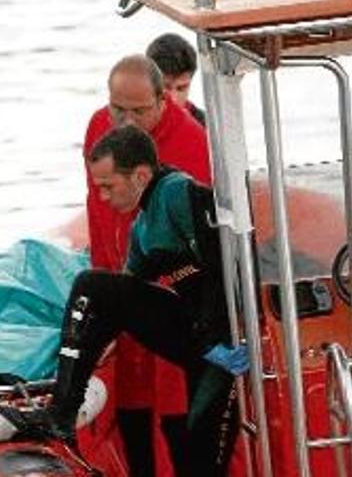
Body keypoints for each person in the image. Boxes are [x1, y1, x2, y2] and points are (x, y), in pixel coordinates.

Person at [49, 125, 246, 477]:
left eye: (108, 186)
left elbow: (221, 267)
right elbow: (123, 297)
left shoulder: (178, 193)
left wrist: (214, 340)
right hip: (199, 339)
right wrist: (92, 345)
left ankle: (61, 413)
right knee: (95, 288)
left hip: (226, 344)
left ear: (140, 175)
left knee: (200, 458)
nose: (103, 198)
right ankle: (62, 414)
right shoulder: (143, 226)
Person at [82, 54, 210, 476]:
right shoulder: (99, 130)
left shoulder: (192, 145)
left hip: (176, 287)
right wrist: (109, 292)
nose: (128, 121)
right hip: (125, 273)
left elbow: (199, 247)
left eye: (140, 111)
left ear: (163, 100)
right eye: (120, 109)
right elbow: (98, 214)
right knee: (130, 388)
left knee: (173, 390)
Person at [146, 33, 206, 126]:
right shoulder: (128, 123)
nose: (173, 99)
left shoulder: (207, 127)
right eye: (165, 87)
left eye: (181, 88)